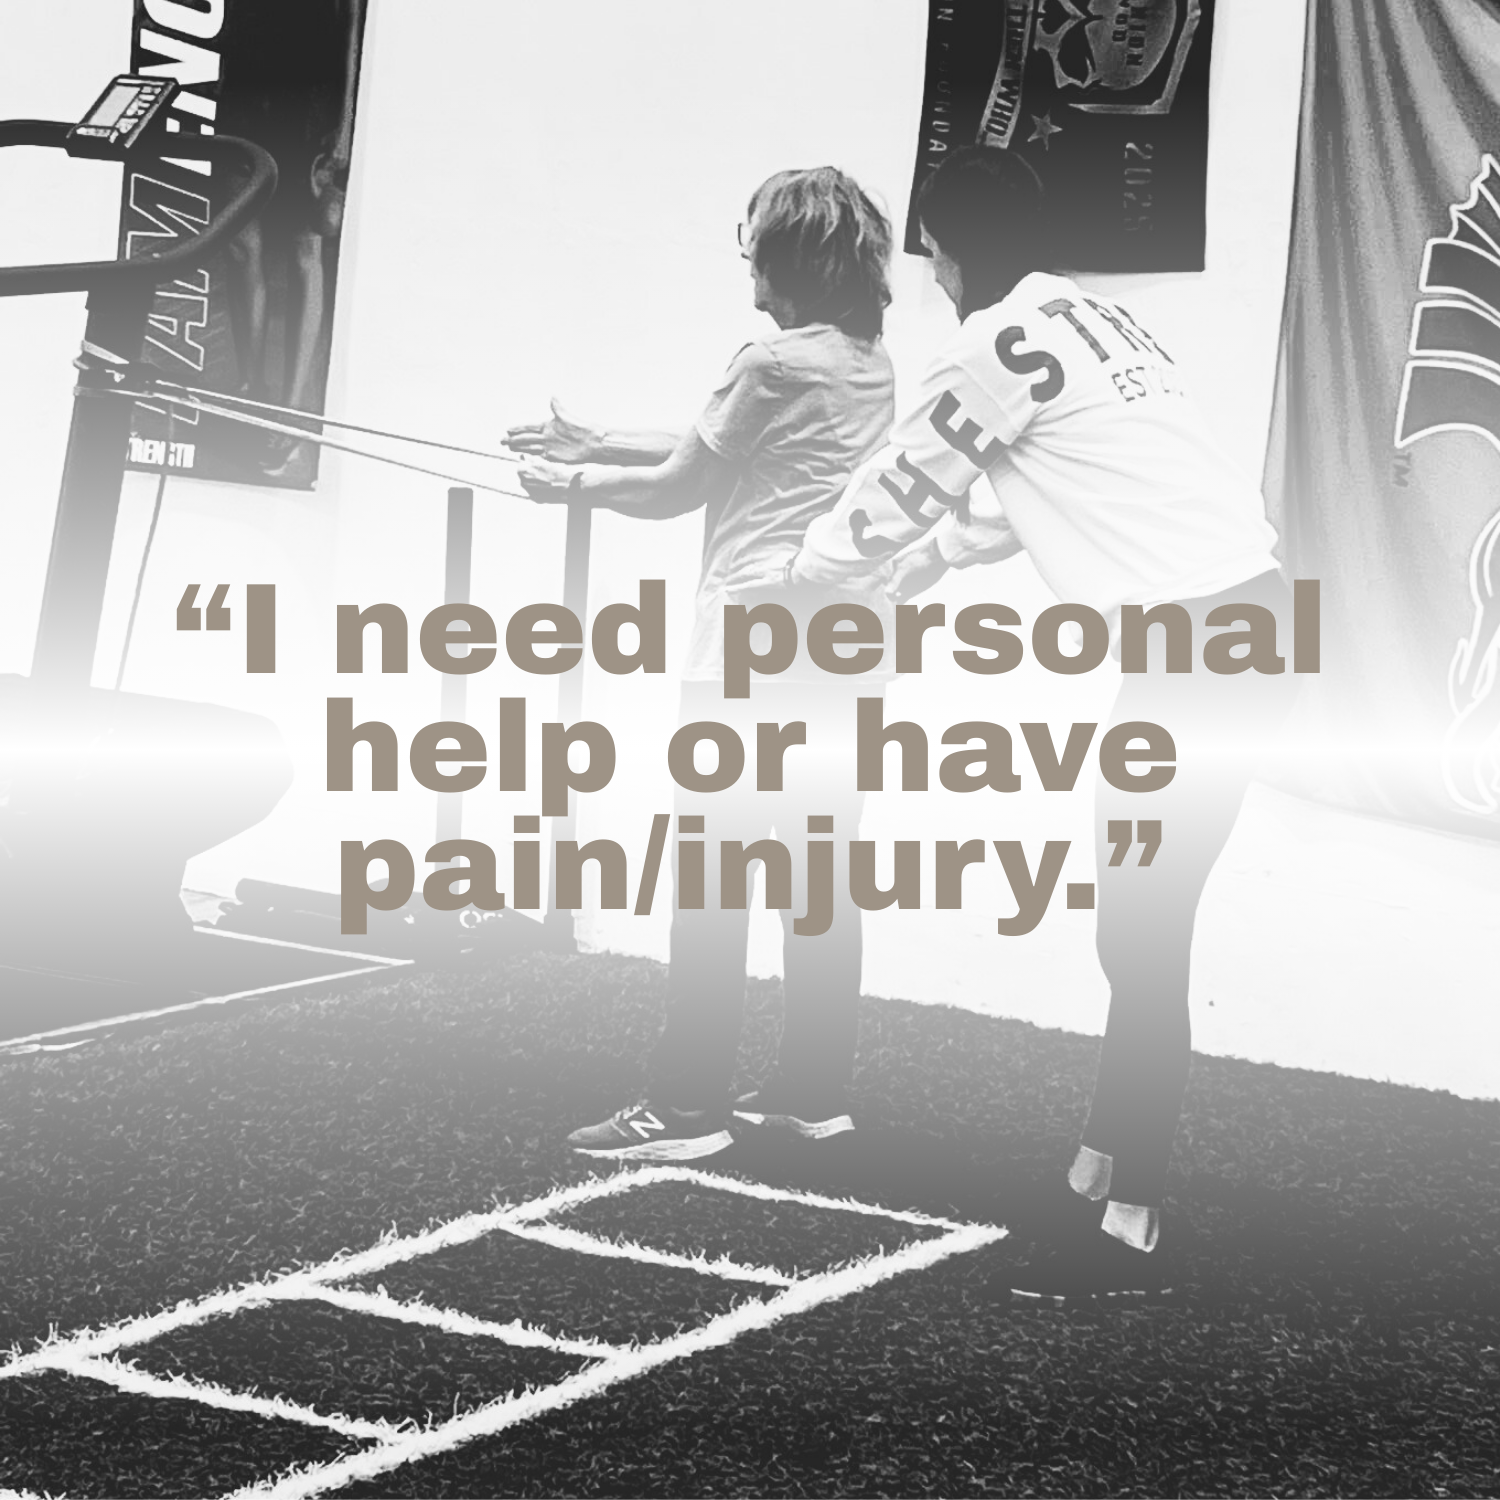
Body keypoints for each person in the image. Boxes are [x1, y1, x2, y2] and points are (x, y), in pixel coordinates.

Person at [789, 145, 1299, 1299]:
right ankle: (1098, 1170)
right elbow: (1036, 498)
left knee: (1143, 930)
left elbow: (900, 485)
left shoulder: (991, 345)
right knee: (1137, 917)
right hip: (1239, 630)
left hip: (1202, 653)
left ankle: (1129, 1218)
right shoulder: (1091, 322)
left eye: (930, 256)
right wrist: (922, 571)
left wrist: (812, 571)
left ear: (949, 252)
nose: (930, 276)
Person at [510, 167, 896, 1161]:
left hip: (751, 646)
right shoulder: (864, 361)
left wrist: (571, 486)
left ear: (792, 265)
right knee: (818, 875)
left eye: (758, 260)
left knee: (715, 876)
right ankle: (813, 1093)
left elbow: (682, 485)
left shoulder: (767, 360)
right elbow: (720, 448)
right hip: (845, 646)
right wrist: (593, 438)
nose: (750, 279)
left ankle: (685, 1110)